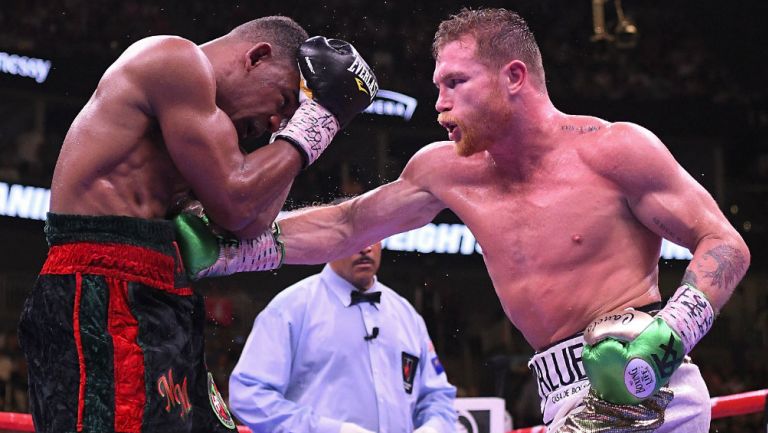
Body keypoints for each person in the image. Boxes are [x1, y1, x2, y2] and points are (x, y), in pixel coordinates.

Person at [177, 7, 750, 433]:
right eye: (437, 87)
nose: (439, 104)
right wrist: (234, 250)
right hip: (561, 395)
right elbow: (349, 226)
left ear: (514, 78)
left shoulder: (615, 151)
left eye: (456, 83)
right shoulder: (447, 170)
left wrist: (672, 332)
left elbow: (724, 242)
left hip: (641, 385)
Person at [17, 14, 377, 433]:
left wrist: (310, 124)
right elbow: (237, 202)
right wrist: (320, 119)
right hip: (101, 281)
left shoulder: (215, 130)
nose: (278, 123)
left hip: (162, 289)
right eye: (282, 101)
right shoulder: (175, 60)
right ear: (257, 57)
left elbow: (249, 223)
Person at [228, 241, 457, 433]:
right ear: (331, 242)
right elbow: (248, 395)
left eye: (374, 237)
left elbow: (437, 396)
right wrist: (329, 430)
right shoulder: (290, 309)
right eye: (355, 237)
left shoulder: (406, 315)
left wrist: (433, 429)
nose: (365, 247)